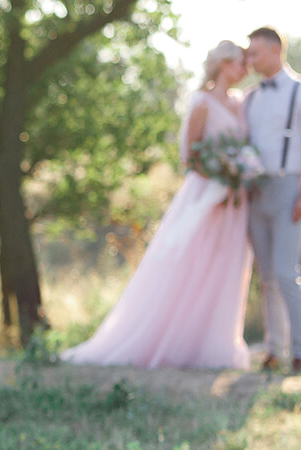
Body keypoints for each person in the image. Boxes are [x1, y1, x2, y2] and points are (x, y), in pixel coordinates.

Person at [60, 40, 256, 370]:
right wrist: (220, 177)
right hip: (206, 195)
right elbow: (189, 155)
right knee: (190, 264)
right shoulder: (202, 103)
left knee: (225, 268)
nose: (245, 69)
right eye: (240, 63)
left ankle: (215, 345)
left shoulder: (240, 103)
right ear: (224, 64)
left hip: (234, 202)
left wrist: (238, 176)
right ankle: (171, 341)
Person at [243, 26, 301, 374]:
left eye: (255, 53)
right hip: (254, 191)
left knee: (285, 272)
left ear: (275, 50)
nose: (250, 60)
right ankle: (274, 350)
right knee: (266, 277)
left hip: (288, 187)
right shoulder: (251, 97)